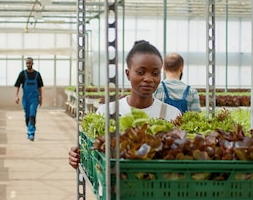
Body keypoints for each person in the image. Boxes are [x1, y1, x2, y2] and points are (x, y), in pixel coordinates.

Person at [68, 40, 182, 169]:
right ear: (128, 74)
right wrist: (78, 155)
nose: (149, 79)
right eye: (141, 72)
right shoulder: (106, 111)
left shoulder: (172, 114)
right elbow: (93, 154)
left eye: (155, 73)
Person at [14, 57, 44, 141]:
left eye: (29, 63)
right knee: (27, 116)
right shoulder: (22, 74)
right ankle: (29, 129)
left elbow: (40, 87)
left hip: (34, 99)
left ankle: (31, 133)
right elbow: (17, 86)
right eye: (27, 63)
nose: (28, 65)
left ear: (32, 63)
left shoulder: (37, 75)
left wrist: (41, 98)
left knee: (32, 115)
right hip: (26, 99)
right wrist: (16, 96)